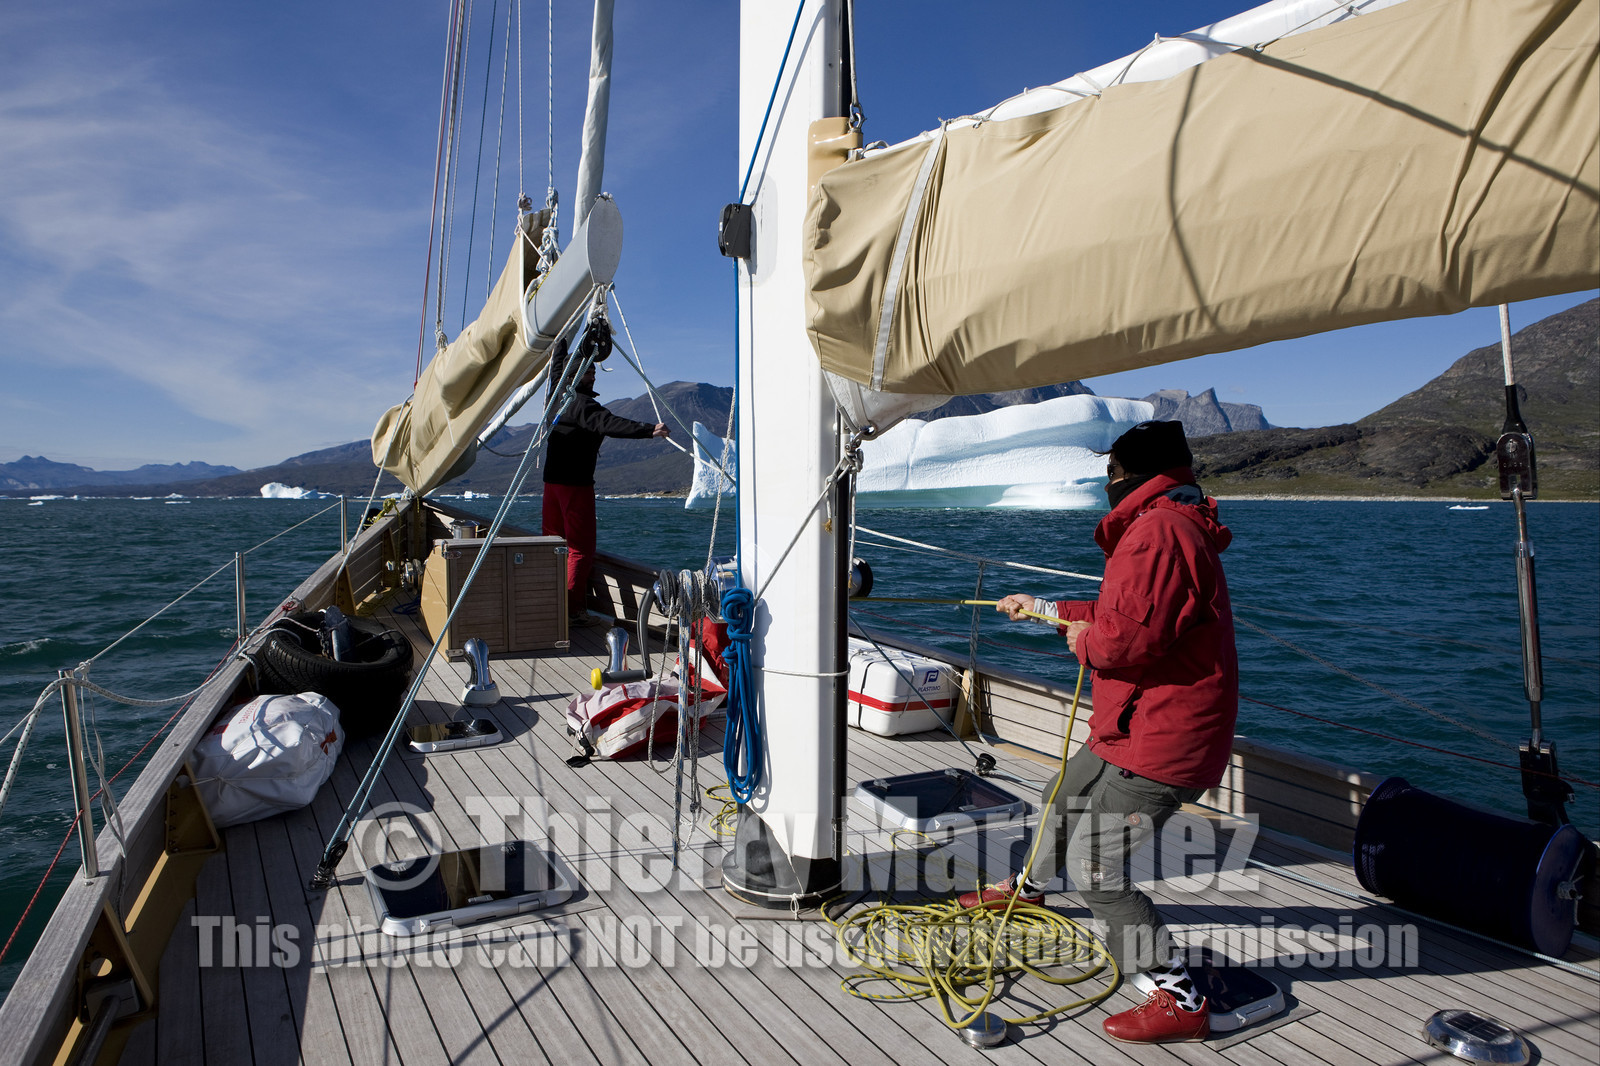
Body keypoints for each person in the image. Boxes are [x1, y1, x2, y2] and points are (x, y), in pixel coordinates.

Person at [958, 419, 1238, 1044]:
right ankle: (1027, 890)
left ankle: (1177, 993)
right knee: (1069, 789)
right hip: (1132, 722)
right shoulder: (1166, 524)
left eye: (1110, 470)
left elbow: (1121, 641)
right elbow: (1125, 614)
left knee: (1097, 866)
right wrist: (1048, 608)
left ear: (1129, 475)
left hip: (1163, 738)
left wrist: (1085, 640)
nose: (1106, 481)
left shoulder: (1158, 533)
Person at [542, 328, 670, 628]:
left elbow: (557, 368)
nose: (594, 375)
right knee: (579, 550)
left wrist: (560, 341)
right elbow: (609, 423)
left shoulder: (555, 395)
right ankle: (573, 610)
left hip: (551, 486)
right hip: (575, 487)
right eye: (588, 372)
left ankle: (550, 601)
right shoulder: (583, 405)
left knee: (553, 545)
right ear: (578, 375)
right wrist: (649, 429)